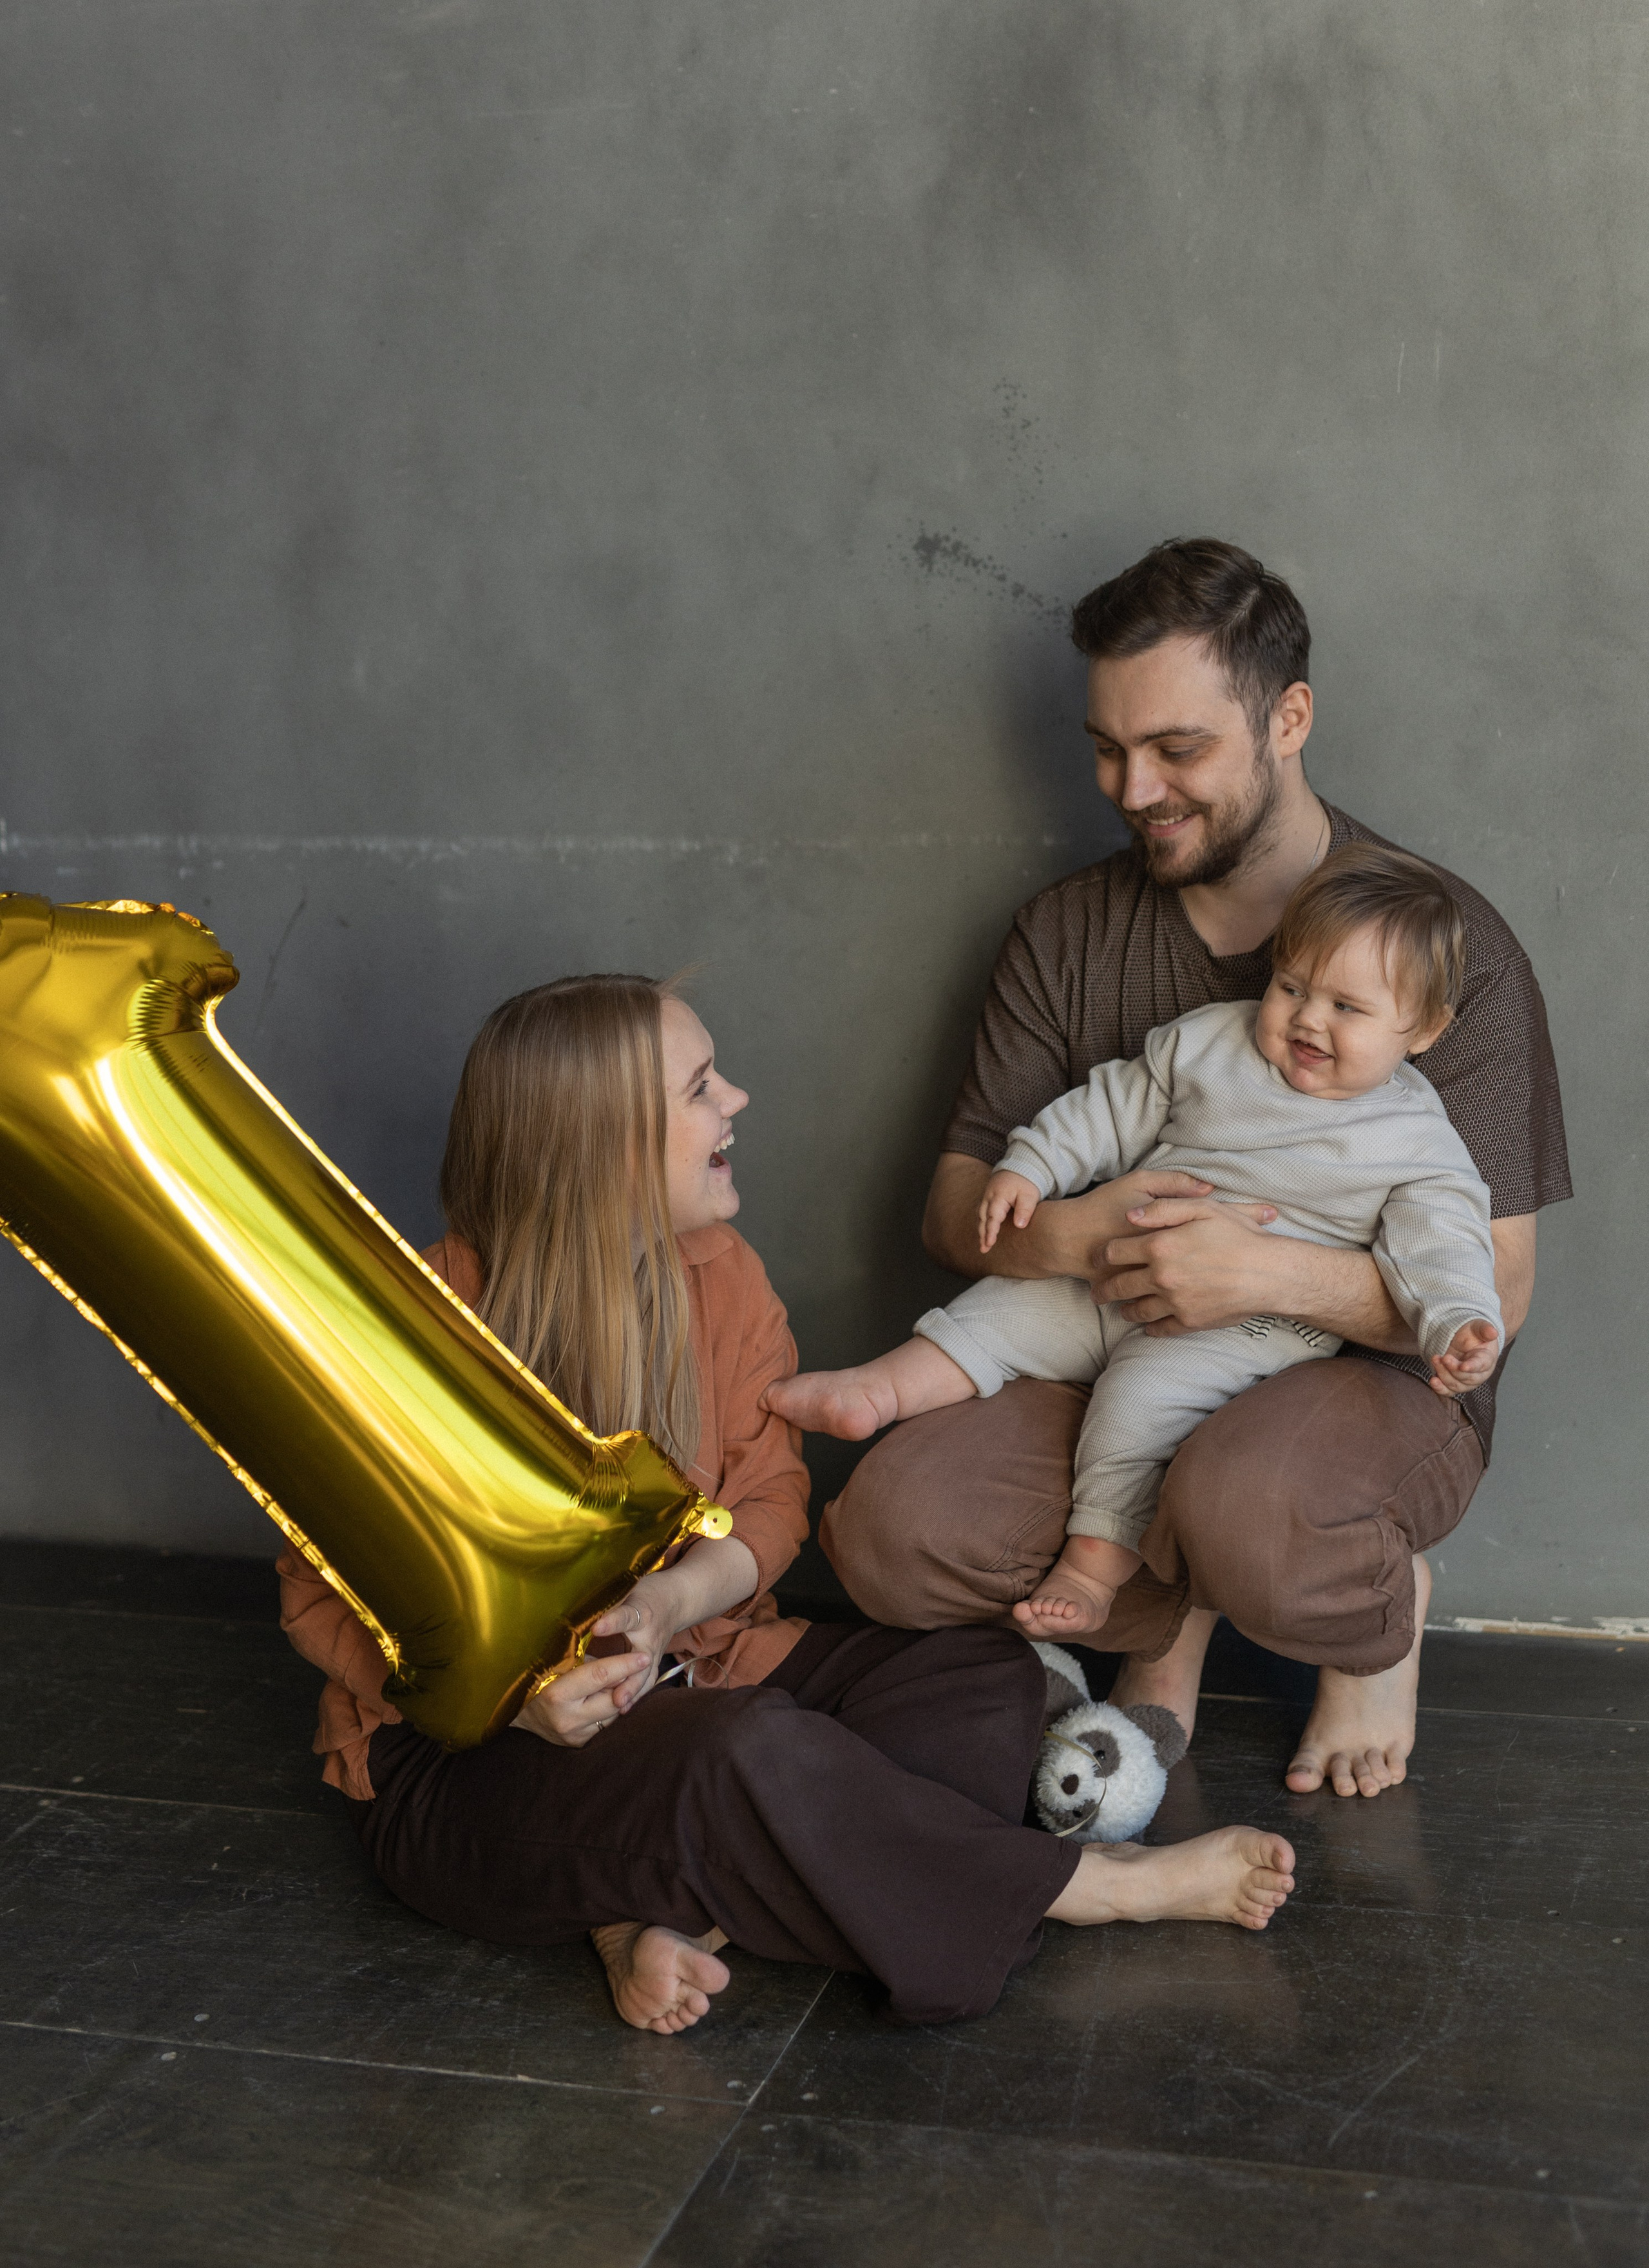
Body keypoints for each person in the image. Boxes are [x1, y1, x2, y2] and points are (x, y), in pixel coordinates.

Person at [278, 973, 1297, 2039]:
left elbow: (768, 1499)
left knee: (982, 1677)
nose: (740, 1101)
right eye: (702, 1087)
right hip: (470, 1771)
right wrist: (506, 1691)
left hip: (698, 1667)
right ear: (607, 1141)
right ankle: (1092, 1885)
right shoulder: (414, 1333)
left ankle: (653, 1899)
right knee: (742, 1748)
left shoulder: (720, 1274)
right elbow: (315, 1597)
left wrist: (675, 1604)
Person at [821, 539, 1570, 1800]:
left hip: (1355, 1378)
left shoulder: (1440, 953)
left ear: (1286, 719)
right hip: (1113, 1331)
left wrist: (1264, 1273)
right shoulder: (1066, 934)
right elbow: (957, 1210)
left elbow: (1497, 1283)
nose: (1133, 788)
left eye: (1176, 749)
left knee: (1250, 1504)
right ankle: (1162, 1621)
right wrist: (1083, 1234)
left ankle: (1364, 1604)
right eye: (1107, 749)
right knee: (884, 1532)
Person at [772, 846, 1501, 1642]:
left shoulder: (1415, 1140)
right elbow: (1110, 1108)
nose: (1307, 1019)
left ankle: (1090, 1569)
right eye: (1291, 987)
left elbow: (1443, 1247)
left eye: (1347, 1009)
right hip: (1114, 1267)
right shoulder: (1211, 1043)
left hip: (1235, 1332)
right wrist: (1031, 1166)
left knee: (1140, 1406)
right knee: (1001, 1309)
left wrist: (1457, 1321)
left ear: (1423, 1030)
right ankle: (876, 1392)